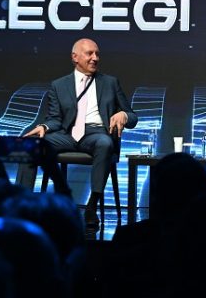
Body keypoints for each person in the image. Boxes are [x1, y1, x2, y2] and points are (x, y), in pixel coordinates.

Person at [24, 37, 137, 234]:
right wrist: (44, 126)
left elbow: (133, 117)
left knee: (104, 143)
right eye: (89, 54)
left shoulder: (110, 83)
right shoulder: (59, 85)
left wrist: (124, 115)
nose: (95, 58)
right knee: (31, 145)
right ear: (75, 57)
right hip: (67, 134)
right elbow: (55, 119)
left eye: (97, 54)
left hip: (96, 134)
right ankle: (22, 203)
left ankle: (92, 205)